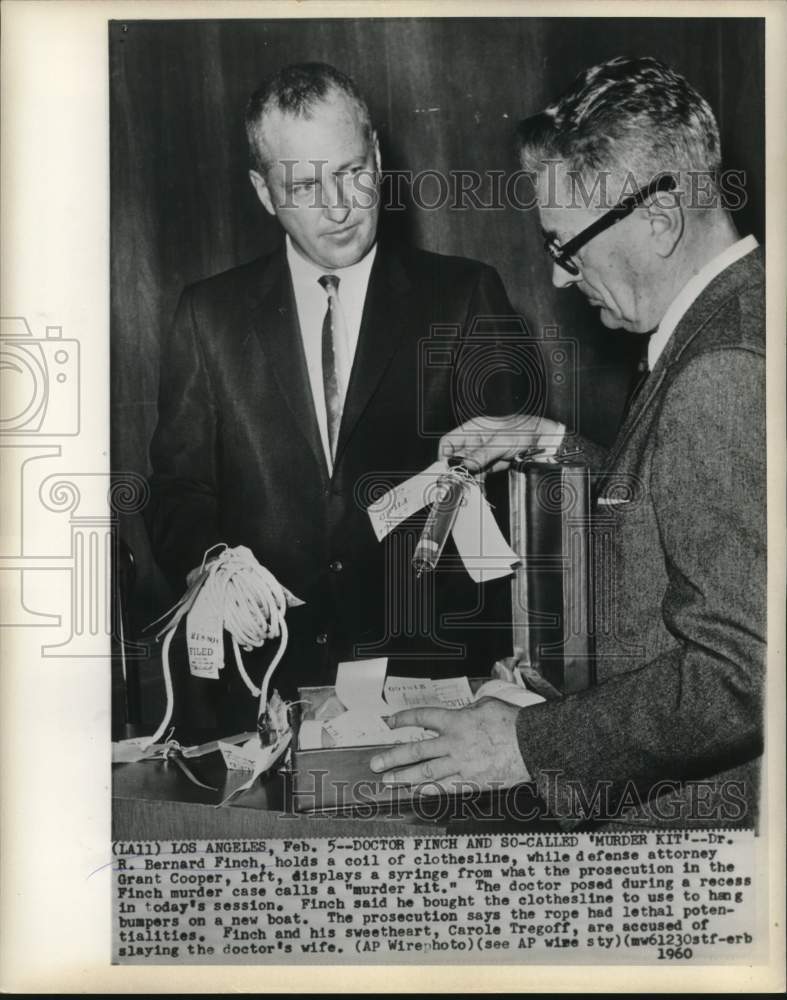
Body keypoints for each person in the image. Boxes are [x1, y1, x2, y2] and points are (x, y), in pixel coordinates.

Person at [371, 57, 765, 828]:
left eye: (564, 246)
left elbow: (742, 671)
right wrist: (552, 441)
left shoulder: (721, 371)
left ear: (656, 218)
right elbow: (678, 496)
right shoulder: (736, 319)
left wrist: (527, 741)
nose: (558, 279)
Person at [145, 62, 518, 729]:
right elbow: (178, 489)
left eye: (351, 172)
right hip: (258, 684)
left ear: (377, 155)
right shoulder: (208, 316)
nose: (339, 206)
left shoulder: (465, 296)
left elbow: (507, 500)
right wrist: (213, 571)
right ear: (264, 192)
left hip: (427, 687)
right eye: (304, 185)